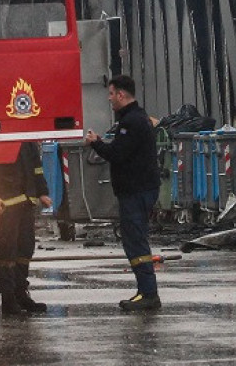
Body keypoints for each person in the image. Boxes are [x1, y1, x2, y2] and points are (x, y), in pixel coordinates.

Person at [85, 74, 162, 311]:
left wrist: (96, 143)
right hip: (139, 189)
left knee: (136, 242)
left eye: (111, 94)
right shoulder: (137, 118)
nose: (109, 99)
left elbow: (118, 154)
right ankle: (145, 291)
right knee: (134, 240)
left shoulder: (131, 122)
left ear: (121, 94)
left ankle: (148, 293)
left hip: (135, 191)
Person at [0, 143, 53, 316]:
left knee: (25, 247)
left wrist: (42, 192)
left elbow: (36, 167)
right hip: (5, 204)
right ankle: (8, 298)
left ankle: (20, 293)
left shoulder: (27, 141)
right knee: (7, 249)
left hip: (26, 201)